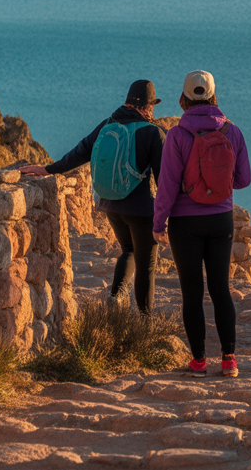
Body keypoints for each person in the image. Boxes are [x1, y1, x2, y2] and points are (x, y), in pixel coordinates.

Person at [20, 80, 165, 314]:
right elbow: (163, 180)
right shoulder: (152, 133)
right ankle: (145, 322)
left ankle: (115, 297)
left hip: (110, 204)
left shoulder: (107, 124)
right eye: (152, 105)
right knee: (146, 263)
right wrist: (167, 213)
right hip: (141, 209)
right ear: (148, 106)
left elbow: (80, 152)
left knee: (128, 250)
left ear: (128, 101)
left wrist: (48, 169)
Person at [153, 70, 251, 378]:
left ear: (183, 99)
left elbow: (167, 186)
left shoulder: (177, 136)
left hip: (185, 224)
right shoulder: (232, 132)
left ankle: (198, 362)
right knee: (221, 288)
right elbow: (244, 179)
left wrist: (158, 224)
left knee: (192, 292)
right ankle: (229, 360)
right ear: (214, 97)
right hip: (221, 219)